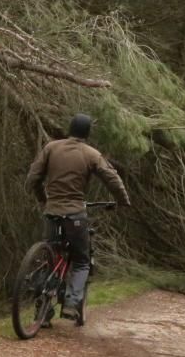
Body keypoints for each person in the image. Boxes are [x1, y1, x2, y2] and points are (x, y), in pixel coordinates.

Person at [24, 113, 131, 320]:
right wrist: (123, 201)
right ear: (87, 133)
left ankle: (42, 314)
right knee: (81, 261)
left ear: (69, 129)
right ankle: (72, 304)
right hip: (75, 215)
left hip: (51, 213)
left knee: (50, 258)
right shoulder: (91, 154)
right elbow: (112, 178)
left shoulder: (51, 148)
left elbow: (33, 177)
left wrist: (43, 198)